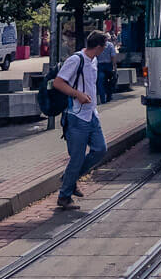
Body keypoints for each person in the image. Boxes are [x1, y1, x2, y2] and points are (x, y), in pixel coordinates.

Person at [53, 31, 108, 210]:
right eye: (105, 46)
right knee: (76, 157)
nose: (106, 49)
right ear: (99, 47)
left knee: (100, 149)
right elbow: (58, 82)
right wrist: (78, 94)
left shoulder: (94, 60)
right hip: (76, 116)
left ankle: (70, 177)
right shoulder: (76, 60)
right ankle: (64, 196)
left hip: (91, 114)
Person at [96, 34, 119, 104]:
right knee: (110, 81)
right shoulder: (110, 45)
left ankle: (102, 98)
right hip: (108, 65)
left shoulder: (97, 45)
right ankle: (109, 96)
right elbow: (113, 56)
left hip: (99, 65)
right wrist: (114, 66)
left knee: (100, 82)